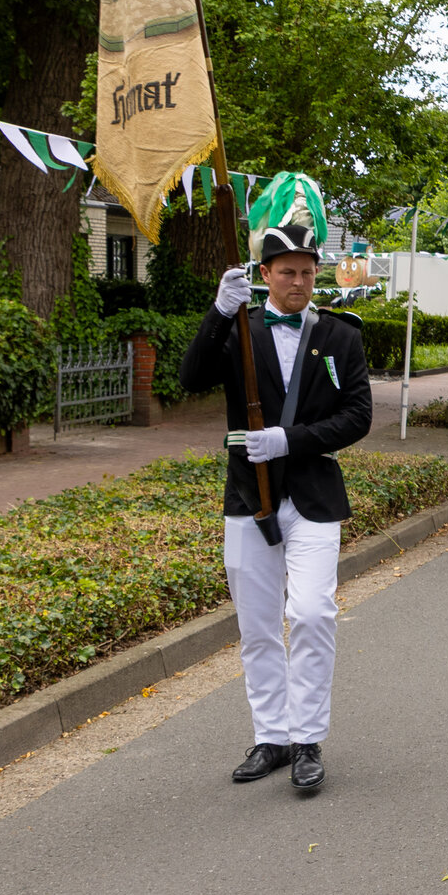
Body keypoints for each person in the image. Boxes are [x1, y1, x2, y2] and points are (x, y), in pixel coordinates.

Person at [178, 189, 374, 794]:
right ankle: (273, 736)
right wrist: (218, 312)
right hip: (249, 498)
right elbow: (188, 378)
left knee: (311, 612)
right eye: (287, 272)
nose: (298, 282)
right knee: (258, 626)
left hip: (313, 497)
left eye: (307, 273)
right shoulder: (239, 329)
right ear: (264, 275)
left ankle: (308, 737)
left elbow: (358, 416)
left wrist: (290, 439)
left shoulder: (340, 335)